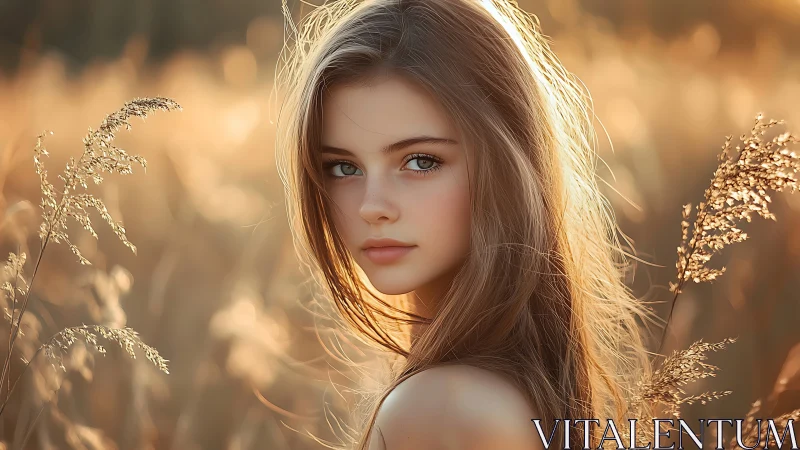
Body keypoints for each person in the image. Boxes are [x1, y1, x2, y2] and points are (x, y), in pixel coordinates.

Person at [273, 0, 658, 448]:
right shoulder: (503, 388)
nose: (371, 207)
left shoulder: (443, 408)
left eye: (420, 161)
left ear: (508, 167)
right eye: (342, 167)